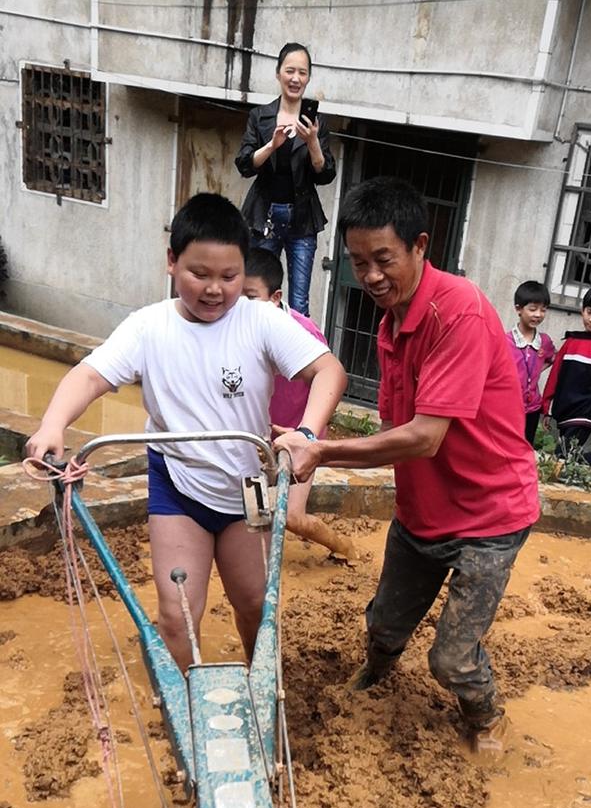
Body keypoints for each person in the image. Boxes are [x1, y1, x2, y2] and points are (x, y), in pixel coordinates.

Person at [25, 193, 346, 672]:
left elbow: (329, 371)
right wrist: (53, 424)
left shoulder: (260, 321)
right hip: (177, 487)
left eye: (229, 277)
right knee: (177, 616)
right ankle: (183, 708)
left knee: (256, 605)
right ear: (172, 262)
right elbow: (90, 376)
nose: (215, 289)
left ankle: (262, 693)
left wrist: (305, 430)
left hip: (246, 487)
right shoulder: (147, 328)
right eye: (200, 274)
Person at [274, 177, 540, 753]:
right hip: (424, 512)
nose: (369, 276)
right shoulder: (392, 319)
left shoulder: (457, 312)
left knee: (451, 658)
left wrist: (319, 451)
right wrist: (307, 436)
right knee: (384, 627)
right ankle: (378, 673)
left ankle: (486, 717)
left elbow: (422, 439)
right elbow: (394, 431)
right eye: (357, 261)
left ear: (421, 245)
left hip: (489, 517)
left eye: (383, 259)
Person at [243, 247, 356, 562]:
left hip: (298, 440)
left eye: (250, 297)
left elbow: (329, 382)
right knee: (252, 512)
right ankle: (257, 573)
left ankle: (344, 547)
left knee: (293, 516)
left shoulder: (303, 332)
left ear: (275, 297)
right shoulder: (231, 329)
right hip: (256, 439)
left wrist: (307, 435)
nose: (240, 308)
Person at [235, 41, 336, 316]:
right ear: (278, 73)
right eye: (290, 70)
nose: (295, 78)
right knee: (257, 295)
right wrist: (271, 145)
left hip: (302, 220)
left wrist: (313, 142)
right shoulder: (260, 116)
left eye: (302, 73)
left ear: (308, 77)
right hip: (263, 217)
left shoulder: (316, 122)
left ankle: (292, 359)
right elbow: (244, 165)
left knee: (299, 304)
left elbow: (326, 174)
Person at [541, 284, 591, 457]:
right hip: (565, 409)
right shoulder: (571, 342)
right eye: (589, 312)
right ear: (582, 310)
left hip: (586, 412)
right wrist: (546, 407)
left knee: (562, 455)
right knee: (568, 454)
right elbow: (555, 375)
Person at [505, 281, 555, 446]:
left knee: (525, 447)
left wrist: (535, 373)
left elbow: (552, 358)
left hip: (532, 408)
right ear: (518, 309)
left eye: (543, 310)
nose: (538, 314)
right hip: (509, 407)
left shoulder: (545, 342)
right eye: (532, 309)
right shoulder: (505, 341)